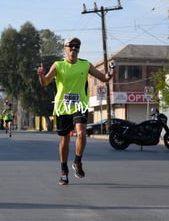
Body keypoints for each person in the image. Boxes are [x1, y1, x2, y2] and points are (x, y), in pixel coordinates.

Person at [37, 37, 115, 185]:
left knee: (81, 133)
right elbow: (46, 82)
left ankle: (77, 162)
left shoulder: (85, 65)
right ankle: (64, 171)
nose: (74, 49)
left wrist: (110, 73)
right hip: (62, 107)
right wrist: (41, 75)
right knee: (64, 139)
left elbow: (103, 78)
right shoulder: (58, 65)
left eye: (77, 46)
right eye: (71, 46)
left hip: (80, 105)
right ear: (64, 48)